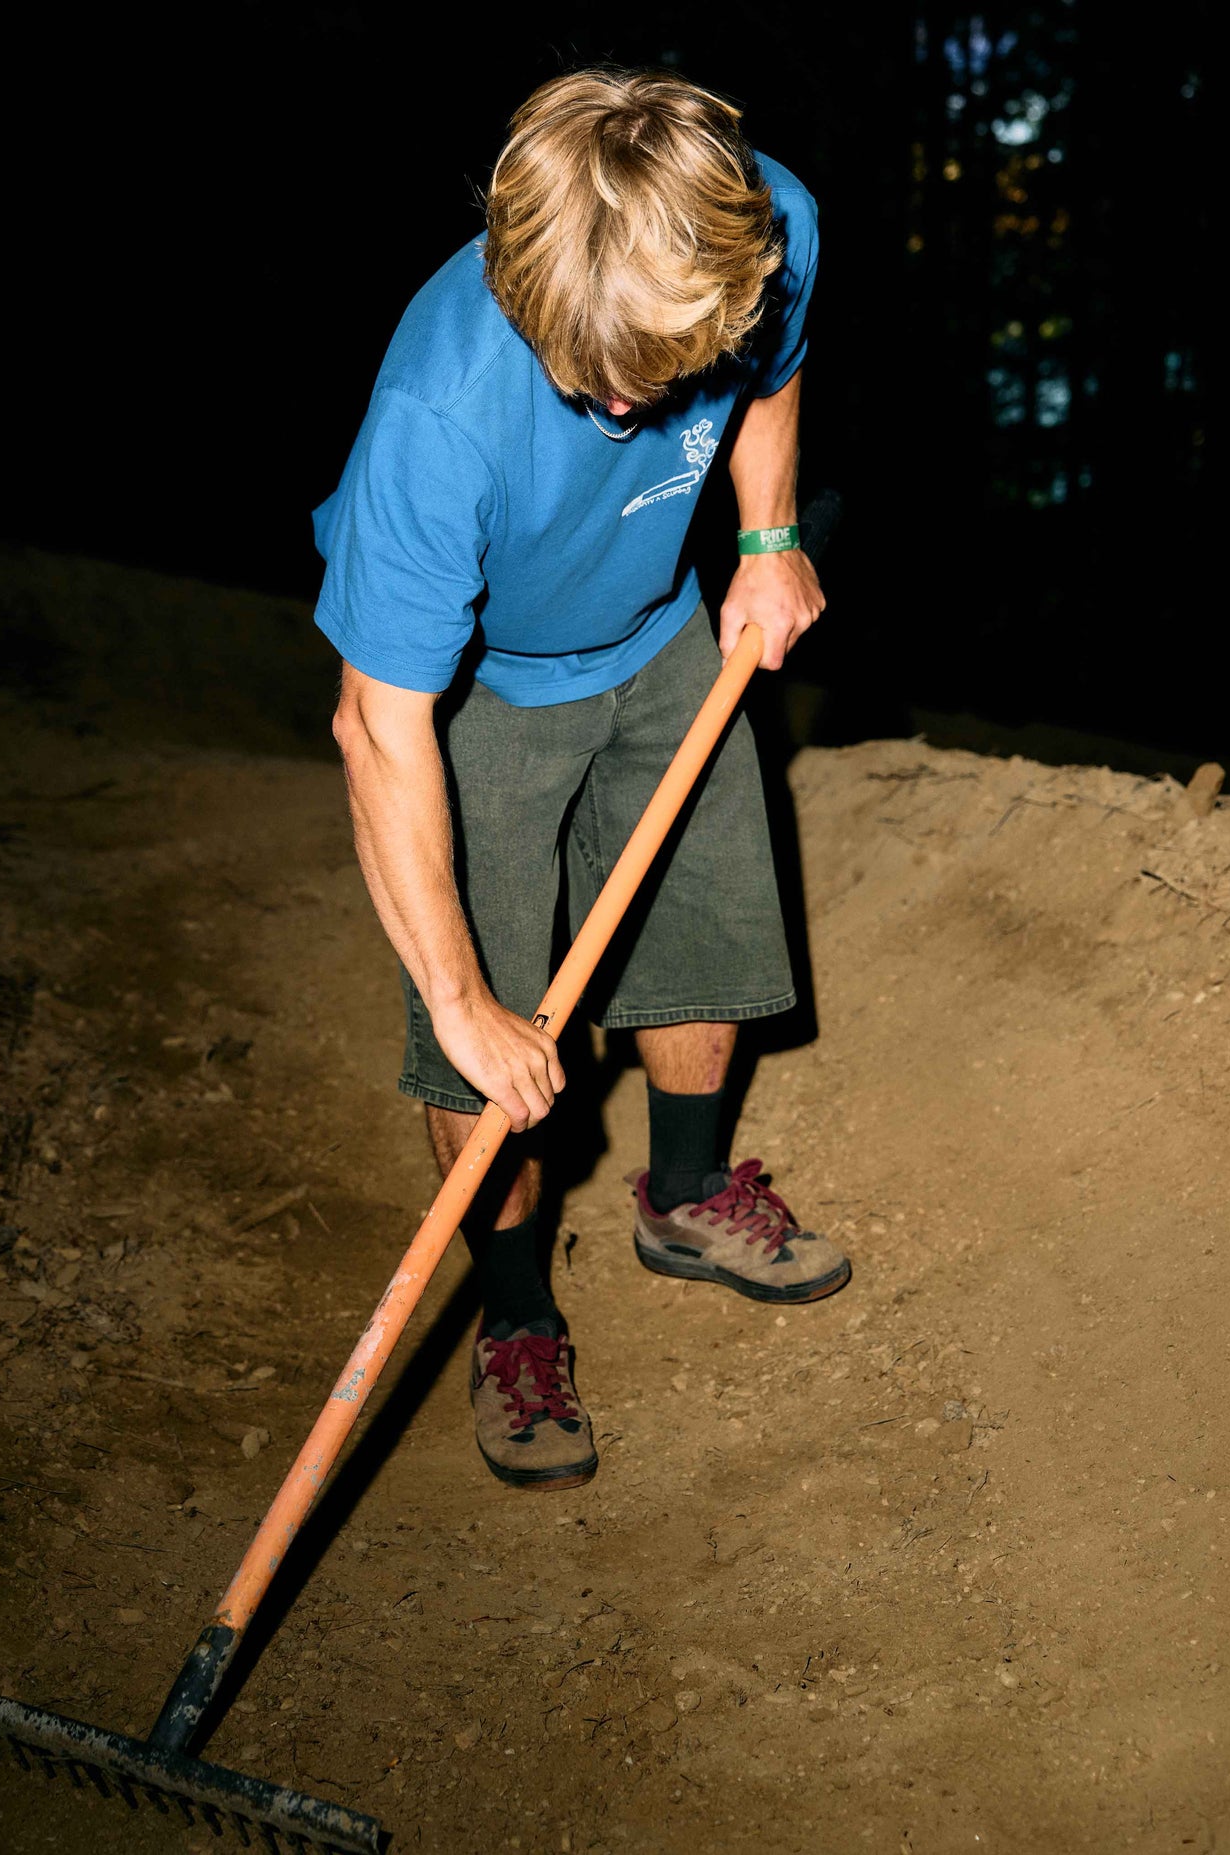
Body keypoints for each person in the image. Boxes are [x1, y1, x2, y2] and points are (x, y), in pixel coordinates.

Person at [313, 67, 850, 1492]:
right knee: (483, 1055)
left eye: (655, 371)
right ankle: (515, 1316)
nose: (623, 404)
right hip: (487, 692)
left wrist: (764, 539)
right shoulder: (438, 417)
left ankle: (682, 1193)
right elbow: (379, 730)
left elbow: (777, 371)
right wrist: (463, 1001)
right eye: (587, 371)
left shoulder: (763, 226)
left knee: (708, 936)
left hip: (666, 633)